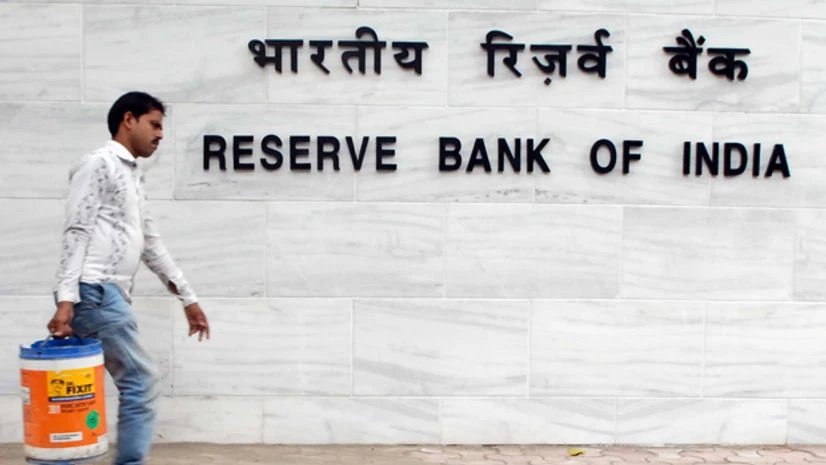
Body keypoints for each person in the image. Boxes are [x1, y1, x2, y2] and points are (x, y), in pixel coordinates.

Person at [46, 91, 210, 465]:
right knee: (141, 380)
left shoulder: (132, 174)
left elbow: (150, 243)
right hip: (94, 291)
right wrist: (67, 299)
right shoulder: (98, 164)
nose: (161, 135)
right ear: (128, 120)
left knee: (126, 382)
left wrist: (188, 298)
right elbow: (77, 230)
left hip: (110, 294)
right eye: (155, 125)